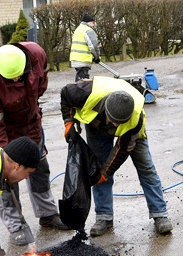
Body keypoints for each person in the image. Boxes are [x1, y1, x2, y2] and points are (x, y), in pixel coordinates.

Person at [0, 43, 70, 247]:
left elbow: (41, 84)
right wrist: (4, 159)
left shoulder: (37, 54)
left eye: (19, 75)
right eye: (11, 79)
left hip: (31, 122)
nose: (16, 80)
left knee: (39, 167)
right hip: (6, 129)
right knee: (8, 177)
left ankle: (47, 214)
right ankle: (15, 224)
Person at [60, 76, 173, 237]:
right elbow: (65, 94)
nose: (116, 127)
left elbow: (122, 151)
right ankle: (104, 216)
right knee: (97, 166)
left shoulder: (135, 119)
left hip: (130, 135)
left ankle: (159, 213)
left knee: (146, 169)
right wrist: (68, 122)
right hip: (96, 125)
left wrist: (104, 174)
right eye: (114, 122)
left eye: (120, 123)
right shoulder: (85, 93)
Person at [69, 13, 101, 81]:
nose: (94, 25)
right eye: (93, 23)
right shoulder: (88, 30)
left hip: (76, 59)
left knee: (80, 79)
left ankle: (78, 91)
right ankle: (79, 92)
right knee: (83, 82)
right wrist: (97, 57)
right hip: (83, 60)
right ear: (89, 22)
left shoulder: (78, 29)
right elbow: (93, 46)